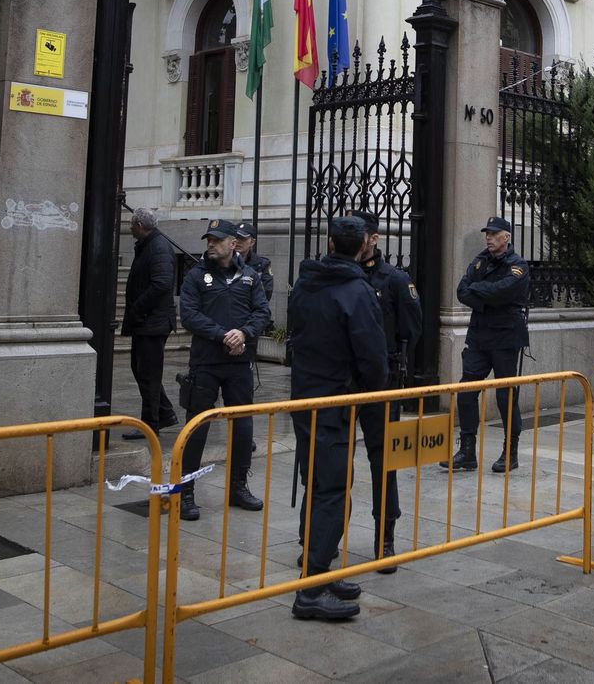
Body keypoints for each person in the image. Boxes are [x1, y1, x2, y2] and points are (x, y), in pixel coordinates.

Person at [285, 215, 388, 621]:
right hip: (333, 400)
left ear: (329, 243)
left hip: (305, 396)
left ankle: (319, 567)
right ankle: (309, 590)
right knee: (331, 490)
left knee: (318, 482)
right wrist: (367, 393)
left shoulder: (306, 283)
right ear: (364, 245)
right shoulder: (356, 292)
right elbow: (373, 356)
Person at [175, 219, 269, 522]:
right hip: (206, 362)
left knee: (242, 428)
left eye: (217, 240)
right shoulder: (195, 275)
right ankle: (185, 491)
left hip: (239, 364)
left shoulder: (250, 276)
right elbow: (189, 315)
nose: (211, 245)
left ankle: (238, 487)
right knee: (197, 427)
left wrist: (242, 334)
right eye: (209, 240)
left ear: (233, 243)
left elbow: (262, 313)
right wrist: (222, 335)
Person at [354, 209, 422, 572]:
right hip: (341, 382)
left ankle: (386, 537)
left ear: (374, 238)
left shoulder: (394, 279)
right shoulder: (337, 276)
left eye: (359, 233)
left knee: (384, 463)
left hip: (381, 382)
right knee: (331, 463)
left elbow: (413, 327)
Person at [443, 216, 531, 474]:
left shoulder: (518, 266)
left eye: (494, 234)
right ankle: (468, 451)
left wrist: (480, 292)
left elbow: (505, 290)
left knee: (506, 396)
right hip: (479, 336)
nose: (489, 238)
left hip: (505, 338)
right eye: (487, 234)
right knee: (466, 391)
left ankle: (510, 452)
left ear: (507, 237)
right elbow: (462, 290)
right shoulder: (480, 260)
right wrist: (487, 297)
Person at [121, 208, 179, 439]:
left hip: (152, 323)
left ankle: (151, 423)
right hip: (147, 322)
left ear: (140, 226)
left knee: (149, 374)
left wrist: (137, 308)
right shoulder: (149, 245)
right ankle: (163, 414)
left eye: (132, 225)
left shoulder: (158, 247)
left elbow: (162, 283)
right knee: (141, 370)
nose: (129, 228)